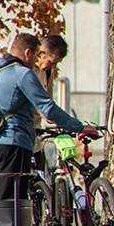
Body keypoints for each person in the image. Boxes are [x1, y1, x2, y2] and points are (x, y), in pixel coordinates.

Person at [0, 33, 96, 200]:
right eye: (36, 55)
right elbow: (48, 108)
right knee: (10, 201)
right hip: (14, 141)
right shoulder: (23, 74)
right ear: (29, 53)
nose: (36, 61)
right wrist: (79, 126)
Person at [32, 35, 69, 170]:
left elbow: (48, 101)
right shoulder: (25, 70)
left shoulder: (47, 73)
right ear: (42, 53)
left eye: (56, 64)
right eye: (51, 61)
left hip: (36, 136)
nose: (52, 66)